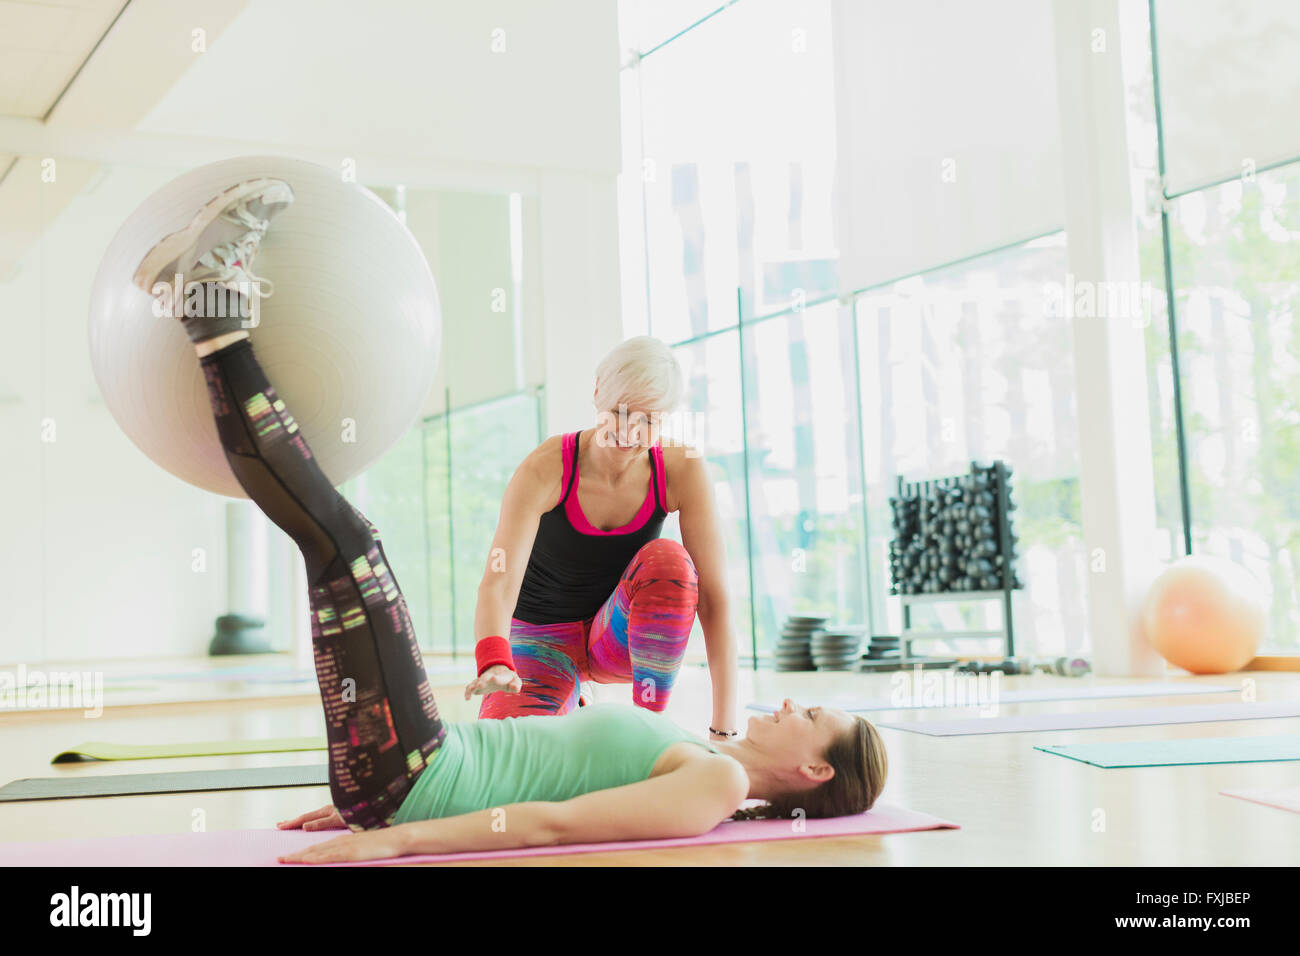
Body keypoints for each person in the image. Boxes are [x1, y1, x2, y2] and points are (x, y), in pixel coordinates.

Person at [133, 178, 886, 863]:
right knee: (339, 541)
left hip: (420, 774)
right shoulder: (699, 753)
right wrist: (368, 797)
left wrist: (395, 839)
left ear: (813, 769)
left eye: (811, 712)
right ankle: (204, 315)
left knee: (342, 541)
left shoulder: (714, 786)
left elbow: (546, 829)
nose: (791, 699)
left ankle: (213, 314)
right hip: (432, 753)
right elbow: (533, 764)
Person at [463, 334, 742, 744]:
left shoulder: (683, 469)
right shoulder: (546, 467)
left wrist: (723, 730)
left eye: (648, 419)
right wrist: (494, 662)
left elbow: (715, 600)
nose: (629, 432)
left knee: (670, 562)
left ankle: (648, 735)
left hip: (615, 638)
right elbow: (498, 581)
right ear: (596, 394)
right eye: (618, 412)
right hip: (541, 637)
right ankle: (569, 699)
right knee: (507, 755)